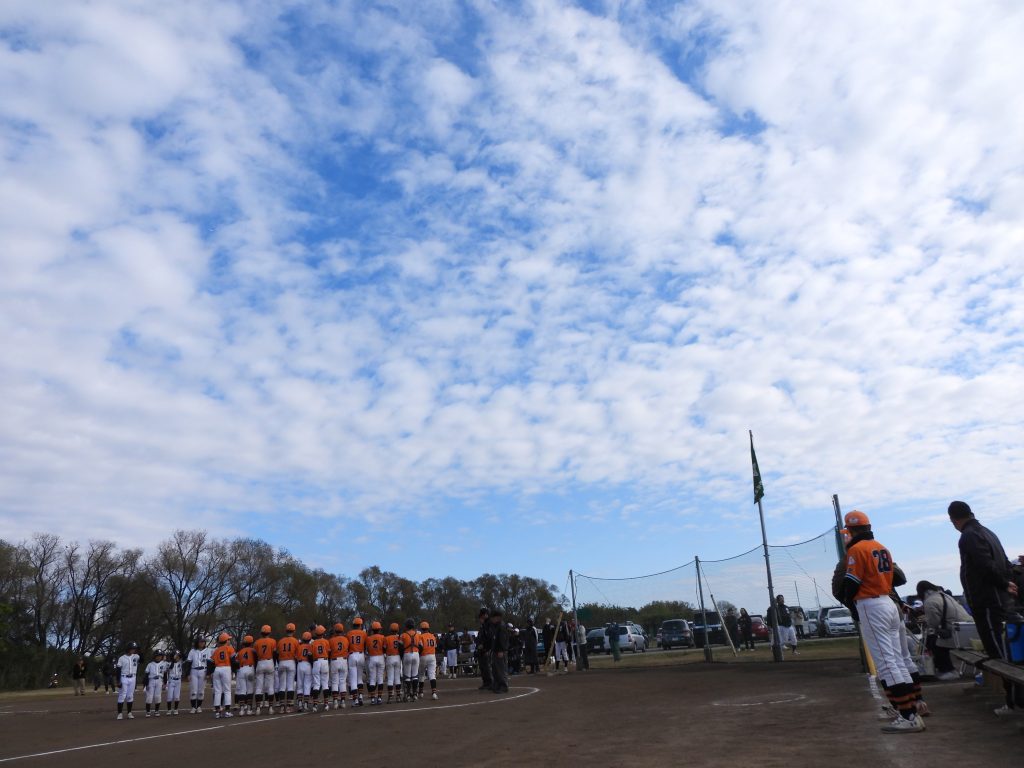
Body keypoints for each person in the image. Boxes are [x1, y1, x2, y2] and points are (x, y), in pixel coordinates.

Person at [840, 510, 924, 733]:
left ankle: (908, 716)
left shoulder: (857, 549)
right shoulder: (881, 547)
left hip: (871, 604)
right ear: (868, 527)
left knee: (887, 663)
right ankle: (912, 710)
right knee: (897, 660)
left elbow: (851, 583)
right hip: (888, 602)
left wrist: (850, 605)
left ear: (850, 530)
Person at [948, 500, 1023, 715]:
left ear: (953, 519)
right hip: (1000, 600)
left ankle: (1013, 702)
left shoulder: (969, 536)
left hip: (989, 603)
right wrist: (1008, 582)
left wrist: (1003, 583)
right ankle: (1013, 700)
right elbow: (1004, 562)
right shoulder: (988, 532)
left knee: (999, 654)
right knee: (1007, 651)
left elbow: (984, 564)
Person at [916, 580, 971, 680]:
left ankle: (948, 670)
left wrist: (926, 620)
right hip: (967, 629)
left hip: (957, 633)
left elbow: (933, 623)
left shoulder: (929, 601)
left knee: (932, 642)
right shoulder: (944, 595)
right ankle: (945, 669)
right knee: (935, 640)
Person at [210, 632, 235, 719]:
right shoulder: (229, 648)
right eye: (228, 639)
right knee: (227, 690)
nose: (229, 641)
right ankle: (227, 712)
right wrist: (235, 669)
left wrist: (210, 672)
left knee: (217, 691)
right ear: (226, 640)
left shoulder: (216, 650)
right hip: (226, 668)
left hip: (217, 669)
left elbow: (211, 662)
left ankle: (217, 712)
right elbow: (233, 660)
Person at [253, 625, 277, 714]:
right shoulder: (273, 641)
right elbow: (274, 653)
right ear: (269, 632)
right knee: (270, 686)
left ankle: (258, 709)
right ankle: (270, 708)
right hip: (269, 662)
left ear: (261, 633)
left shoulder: (257, 642)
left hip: (260, 662)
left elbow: (255, 655)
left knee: (259, 687)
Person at [276, 623, 299, 713]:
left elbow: (277, 653)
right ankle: (289, 707)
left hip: (282, 662)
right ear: (294, 631)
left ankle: (282, 707)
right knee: (290, 685)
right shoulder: (295, 641)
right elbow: (297, 654)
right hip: (291, 662)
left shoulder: (281, 641)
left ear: (286, 631)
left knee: (282, 686)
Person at [115, 641, 140, 720]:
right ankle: (120, 713)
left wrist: (140, 650)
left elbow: (142, 659)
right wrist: (118, 680)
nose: (133, 650)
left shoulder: (136, 656)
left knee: (130, 696)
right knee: (122, 695)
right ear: (128, 649)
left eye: (134, 649)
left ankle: (129, 713)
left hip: (133, 677)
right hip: (124, 677)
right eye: (132, 648)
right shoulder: (122, 658)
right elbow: (118, 670)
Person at [347, 617, 368, 706]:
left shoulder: (349, 633)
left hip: (352, 655)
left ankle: (355, 700)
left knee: (353, 679)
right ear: (360, 625)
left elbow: (347, 646)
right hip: (361, 655)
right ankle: (361, 697)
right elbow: (366, 645)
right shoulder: (363, 633)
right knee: (359, 678)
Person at [310, 625, 331, 710]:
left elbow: (310, 654)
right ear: (323, 633)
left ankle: (315, 705)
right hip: (324, 661)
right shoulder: (326, 641)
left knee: (316, 684)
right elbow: (329, 651)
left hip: (316, 662)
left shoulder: (313, 643)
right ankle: (326, 705)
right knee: (325, 684)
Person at [328, 622, 348, 710]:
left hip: (334, 661)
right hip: (343, 660)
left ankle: (335, 702)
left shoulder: (331, 640)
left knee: (335, 682)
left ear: (335, 631)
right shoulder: (346, 639)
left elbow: (329, 652)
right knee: (342, 681)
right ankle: (342, 702)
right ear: (342, 630)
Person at [234, 635, 257, 715]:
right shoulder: (253, 650)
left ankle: (241, 710)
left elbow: (235, 662)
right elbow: (257, 659)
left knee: (242, 690)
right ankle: (249, 710)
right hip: (250, 669)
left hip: (241, 670)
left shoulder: (240, 652)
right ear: (251, 643)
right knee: (250, 690)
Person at [417, 621, 439, 700]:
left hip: (423, 656)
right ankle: (434, 693)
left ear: (421, 628)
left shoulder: (420, 636)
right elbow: (435, 646)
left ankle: (421, 693)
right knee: (432, 675)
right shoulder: (433, 636)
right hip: (432, 656)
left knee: (421, 674)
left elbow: (420, 647)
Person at [365, 621, 386, 705]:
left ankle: (373, 699)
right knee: (380, 678)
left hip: (372, 658)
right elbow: (384, 648)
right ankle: (379, 698)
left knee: (372, 679)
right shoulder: (383, 637)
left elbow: (367, 650)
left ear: (373, 630)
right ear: (379, 629)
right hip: (380, 657)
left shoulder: (368, 638)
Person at [489, 609, 509, 693]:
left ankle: (503, 686)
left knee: (501, 669)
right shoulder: (496, 626)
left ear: (497, 617)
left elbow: (503, 639)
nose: (491, 619)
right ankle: (497, 684)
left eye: (493, 618)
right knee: (495, 669)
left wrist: (501, 650)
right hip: (495, 650)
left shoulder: (501, 626)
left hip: (500, 651)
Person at [384, 622, 403, 703]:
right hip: (398, 657)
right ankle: (398, 696)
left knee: (390, 678)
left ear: (390, 630)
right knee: (397, 678)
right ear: (397, 630)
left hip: (390, 657)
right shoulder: (399, 638)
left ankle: (390, 697)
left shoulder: (387, 638)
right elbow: (402, 648)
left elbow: (384, 648)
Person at [143, 649, 165, 717]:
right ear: (154, 656)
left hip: (159, 681)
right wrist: (146, 684)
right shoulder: (150, 664)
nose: (159, 657)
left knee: (158, 696)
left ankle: (156, 711)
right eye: (157, 656)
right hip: (151, 681)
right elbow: (146, 675)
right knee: (149, 696)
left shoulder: (163, 664)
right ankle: (148, 711)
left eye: (160, 656)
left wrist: (165, 683)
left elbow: (165, 674)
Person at [476, 608, 493, 690]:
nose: (481, 619)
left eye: (482, 616)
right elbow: (480, 637)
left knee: (487, 667)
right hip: (481, 650)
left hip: (486, 649)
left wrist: (484, 646)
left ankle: (490, 683)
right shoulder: (483, 626)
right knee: (482, 667)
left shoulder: (489, 625)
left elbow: (489, 638)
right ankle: (486, 682)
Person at [166, 649, 183, 715]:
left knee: (177, 697)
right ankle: (169, 710)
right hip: (171, 681)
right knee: (169, 696)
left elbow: (184, 656)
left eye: (178, 656)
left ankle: (176, 709)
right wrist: (173, 659)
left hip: (178, 681)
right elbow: (170, 667)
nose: (177, 657)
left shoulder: (180, 662)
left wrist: (179, 653)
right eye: (176, 656)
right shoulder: (169, 663)